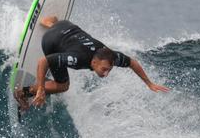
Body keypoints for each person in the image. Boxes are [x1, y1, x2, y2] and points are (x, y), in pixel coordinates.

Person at [14, 16, 169, 111]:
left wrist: (149, 83)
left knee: (57, 24)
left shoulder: (111, 56)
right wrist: (41, 89)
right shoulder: (77, 59)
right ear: (94, 61)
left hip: (65, 26)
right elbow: (43, 61)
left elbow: (132, 62)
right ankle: (22, 93)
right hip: (50, 42)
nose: (106, 73)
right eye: (104, 69)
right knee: (63, 86)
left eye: (109, 70)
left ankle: (49, 21)